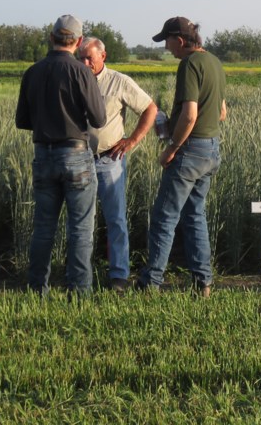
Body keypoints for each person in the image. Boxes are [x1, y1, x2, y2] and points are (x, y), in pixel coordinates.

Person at [15, 15, 106, 296]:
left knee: (43, 228)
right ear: (78, 42)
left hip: (43, 155)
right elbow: (99, 119)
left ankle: (36, 290)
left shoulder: (33, 72)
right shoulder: (81, 72)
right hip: (76, 156)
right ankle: (78, 293)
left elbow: (22, 121)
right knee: (79, 229)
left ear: (51, 37)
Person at [137, 17, 227, 297]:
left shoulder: (188, 65)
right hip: (211, 149)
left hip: (189, 152)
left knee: (165, 216)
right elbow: (222, 111)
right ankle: (203, 283)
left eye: (167, 40)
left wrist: (172, 147)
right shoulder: (214, 62)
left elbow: (190, 114)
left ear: (180, 39)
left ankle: (150, 283)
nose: (166, 47)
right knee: (195, 215)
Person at [77, 36, 158, 291]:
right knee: (81, 221)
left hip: (109, 160)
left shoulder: (119, 81)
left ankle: (119, 277)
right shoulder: (74, 79)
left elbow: (150, 108)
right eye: (81, 57)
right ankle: (81, 276)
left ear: (104, 56)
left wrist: (132, 140)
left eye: (89, 57)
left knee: (116, 219)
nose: (85, 62)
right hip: (79, 160)